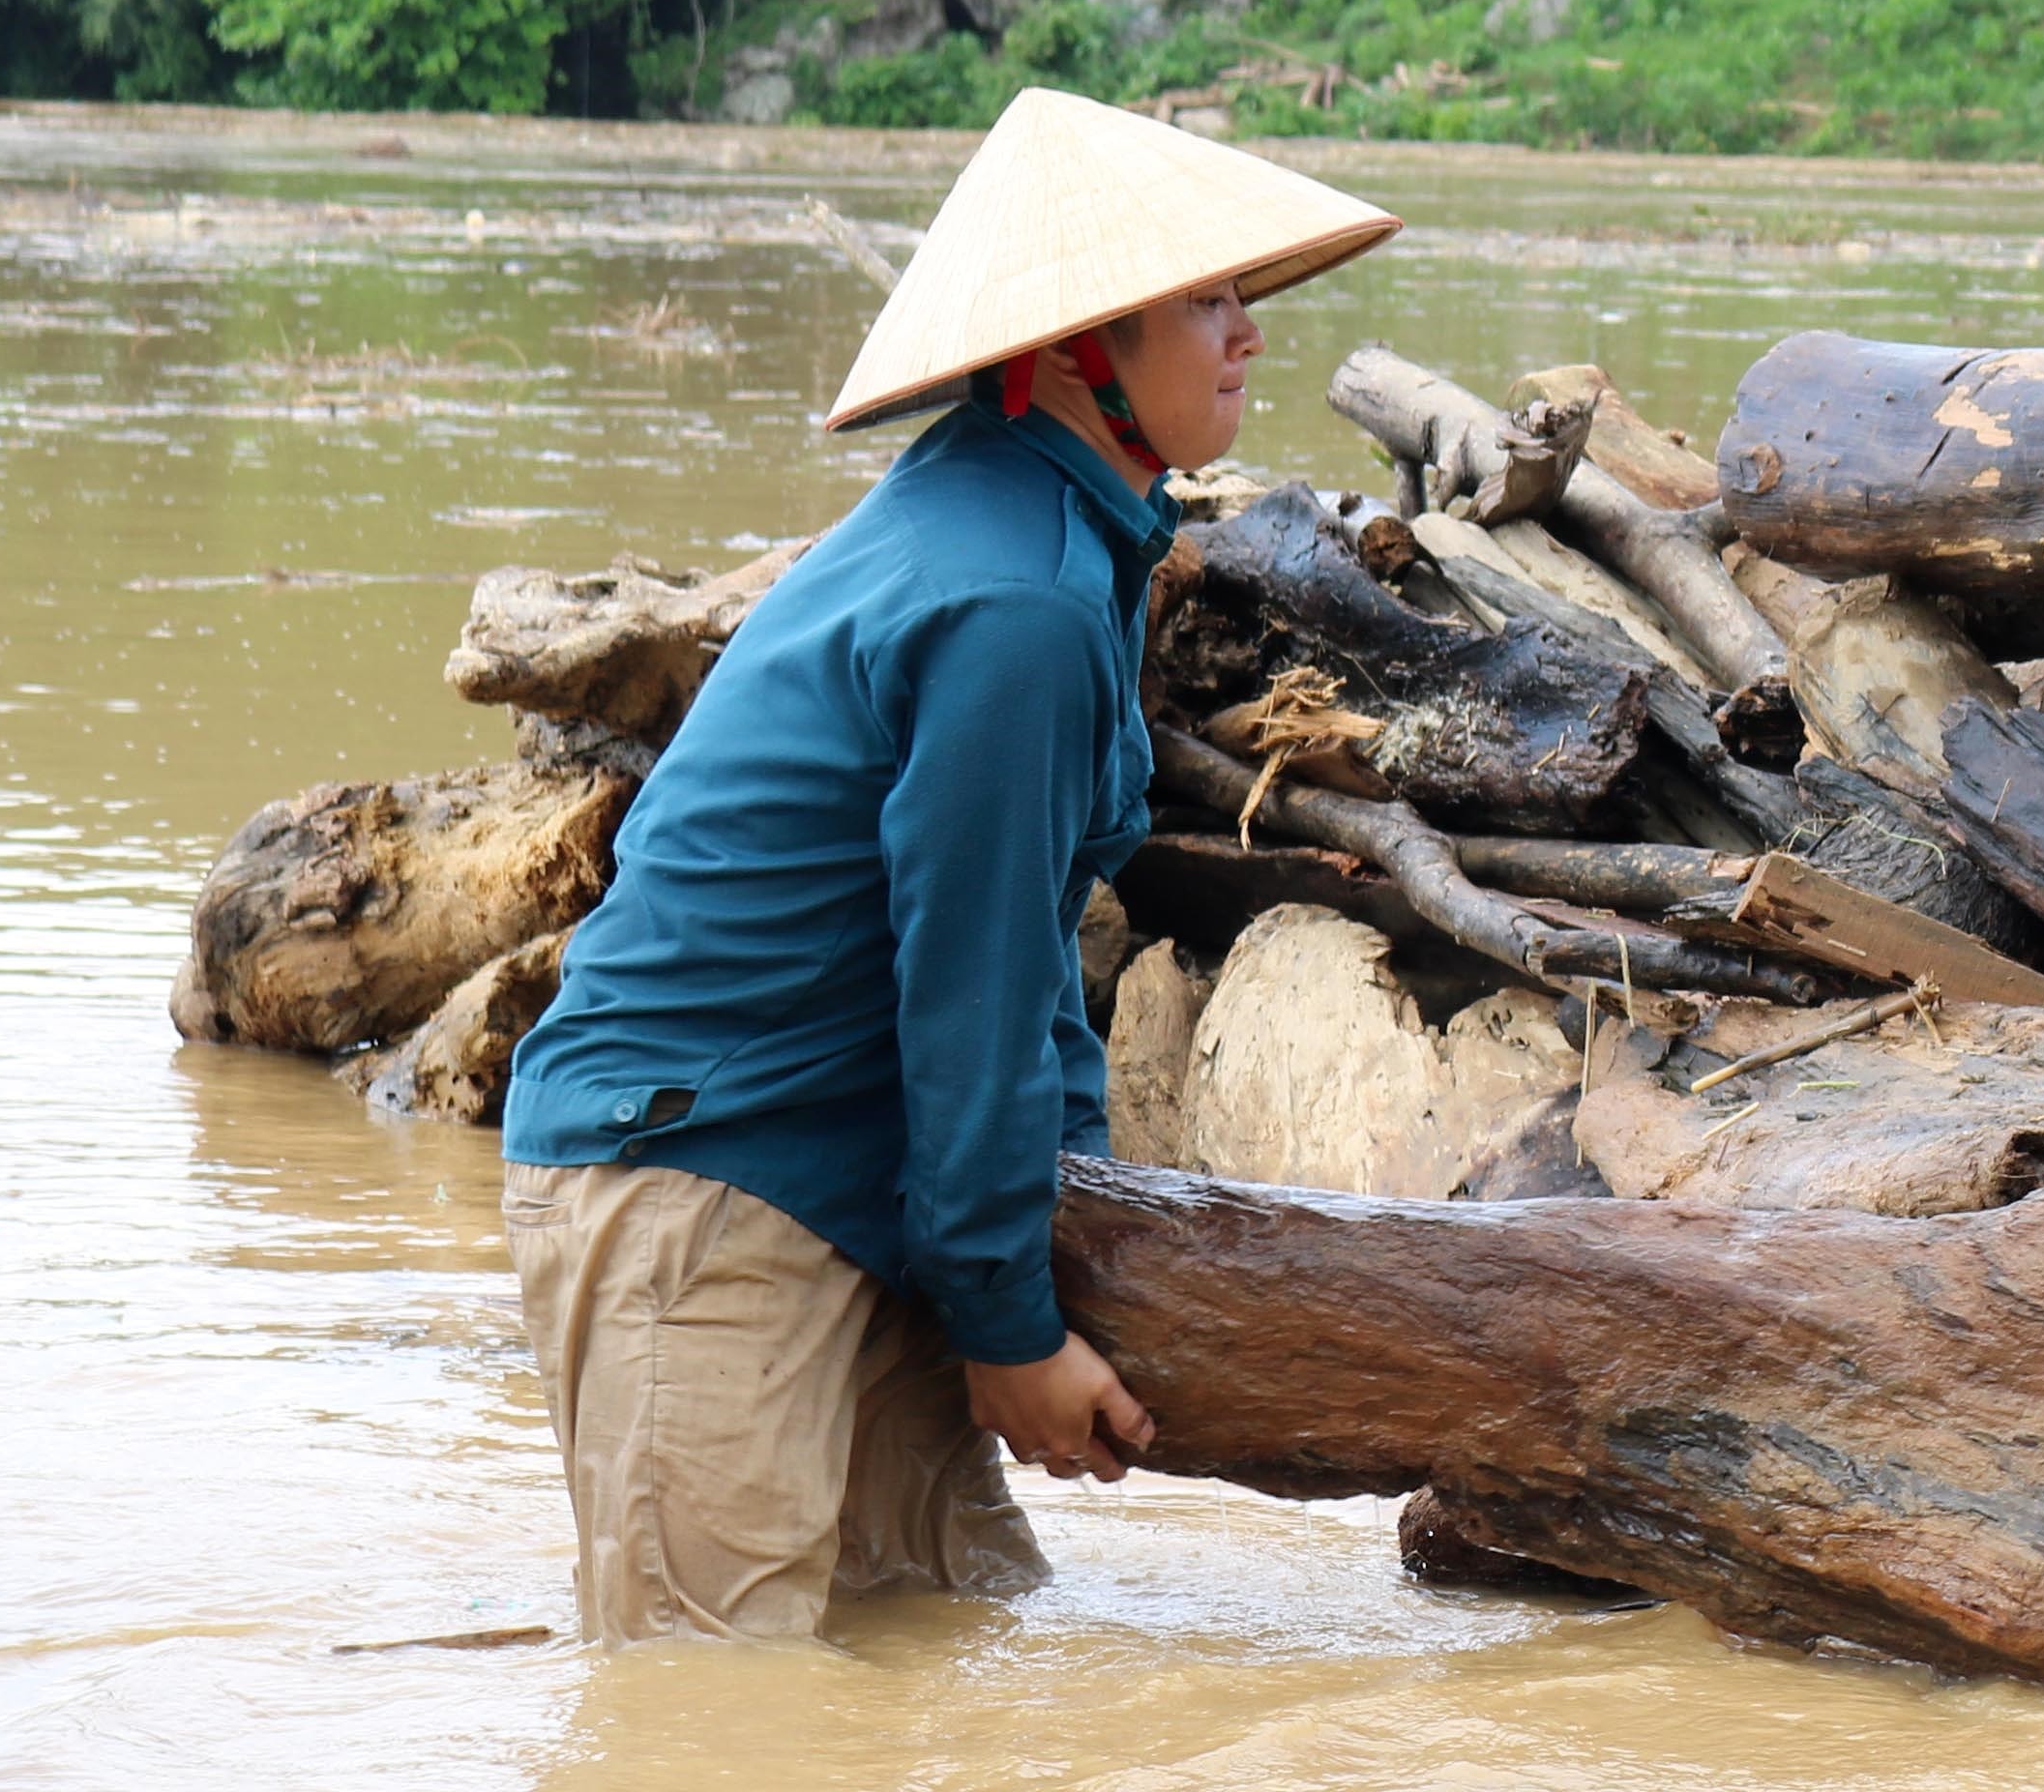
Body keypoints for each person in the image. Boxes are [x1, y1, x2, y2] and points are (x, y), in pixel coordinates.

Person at [497, 90, 1397, 1642]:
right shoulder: (1017, 600)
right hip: (702, 1179)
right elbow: (969, 987)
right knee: (708, 1736)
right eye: (1203, 298)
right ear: (1068, 356)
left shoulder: (1051, 534)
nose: (1247, 331)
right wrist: (1004, 1322)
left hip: (855, 1175)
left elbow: (1026, 936)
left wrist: (1057, 1256)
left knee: (944, 1641)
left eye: (1240, 292)